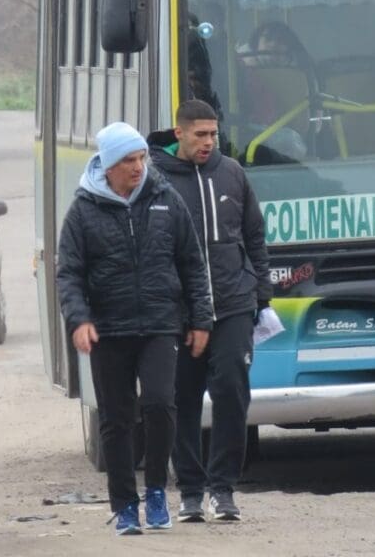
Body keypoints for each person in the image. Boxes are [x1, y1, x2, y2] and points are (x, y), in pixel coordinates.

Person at [57, 121, 213, 536]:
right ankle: (125, 504)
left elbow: (192, 263)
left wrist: (201, 319)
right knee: (116, 418)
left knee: (161, 404)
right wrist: (79, 319)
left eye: (142, 157)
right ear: (108, 165)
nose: (138, 166)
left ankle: (157, 490)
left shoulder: (165, 198)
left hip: (161, 324)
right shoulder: (83, 210)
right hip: (108, 329)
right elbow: (68, 273)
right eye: (128, 160)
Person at [148, 100, 272, 523]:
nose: (208, 142)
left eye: (214, 134)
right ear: (179, 133)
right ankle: (190, 491)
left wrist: (262, 294)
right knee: (181, 399)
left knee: (232, 391)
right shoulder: (156, 179)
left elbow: (254, 236)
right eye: (200, 134)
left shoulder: (232, 173)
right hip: (181, 313)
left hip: (234, 303)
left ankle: (224, 488)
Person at [236, 20, 315, 161]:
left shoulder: (302, 73)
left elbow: (315, 120)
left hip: (288, 137)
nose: (273, 45)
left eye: (281, 41)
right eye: (268, 39)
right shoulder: (238, 71)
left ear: (289, 48)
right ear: (255, 43)